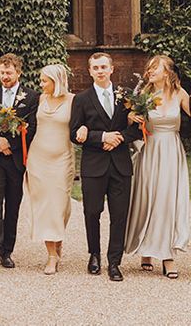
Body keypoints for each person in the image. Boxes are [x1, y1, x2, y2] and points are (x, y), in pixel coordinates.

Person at [69, 51, 142, 282]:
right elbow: (74, 133)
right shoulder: (81, 99)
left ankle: (114, 262)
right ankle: (94, 255)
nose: (100, 71)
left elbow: (137, 128)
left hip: (120, 165)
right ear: (90, 71)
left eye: (104, 67)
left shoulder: (126, 96)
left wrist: (118, 137)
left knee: (119, 215)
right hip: (94, 166)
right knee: (92, 212)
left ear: (112, 69)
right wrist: (101, 137)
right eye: (96, 68)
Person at [125, 54, 190, 278]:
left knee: (167, 200)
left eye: (155, 68)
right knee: (147, 199)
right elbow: (131, 124)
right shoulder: (144, 94)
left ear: (168, 72)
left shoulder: (180, 94)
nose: (150, 71)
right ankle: (146, 249)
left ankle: (167, 256)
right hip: (150, 151)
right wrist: (132, 117)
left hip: (171, 150)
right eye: (149, 68)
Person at [0, 53, 38, 269]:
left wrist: (9, 144)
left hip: (15, 158)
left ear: (18, 72)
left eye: (9, 73)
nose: (5, 76)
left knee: (13, 203)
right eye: (2, 72)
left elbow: (31, 129)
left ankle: (7, 251)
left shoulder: (30, 97)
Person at [24, 63, 74, 275]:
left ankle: (58, 236)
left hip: (62, 158)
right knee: (45, 206)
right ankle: (51, 255)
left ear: (57, 81)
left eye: (45, 80)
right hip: (38, 159)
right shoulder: (41, 99)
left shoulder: (74, 101)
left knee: (60, 204)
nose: (41, 84)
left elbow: (83, 123)